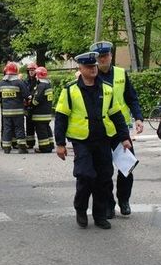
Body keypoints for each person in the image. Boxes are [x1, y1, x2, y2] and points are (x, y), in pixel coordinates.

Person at [55, 52, 131, 230]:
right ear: (80, 69)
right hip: (81, 141)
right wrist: (60, 144)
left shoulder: (107, 89)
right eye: (89, 67)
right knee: (85, 175)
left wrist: (124, 137)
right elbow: (61, 117)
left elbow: (116, 115)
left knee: (104, 178)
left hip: (103, 139)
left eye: (94, 66)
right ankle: (80, 209)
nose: (93, 69)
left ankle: (99, 215)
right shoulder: (70, 90)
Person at [89, 41, 142, 218]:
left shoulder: (120, 73)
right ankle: (108, 204)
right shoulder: (91, 76)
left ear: (111, 56)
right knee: (104, 171)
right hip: (101, 131)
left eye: (106, 55)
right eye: (100, 57)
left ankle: (124, 200)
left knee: (127, 167)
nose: (103, 59)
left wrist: (139, 118)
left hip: (120, 130)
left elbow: (131, 98)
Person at [0, 62, 30, 154]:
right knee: (19, 129)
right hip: (18, 111)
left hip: (6, 112)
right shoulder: (19, 83)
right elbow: (26, 95)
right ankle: (22, 148)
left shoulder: (1, 83)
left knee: (7, 129)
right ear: (16, 71)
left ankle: (6, 148)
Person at [31, 66, 54, 153]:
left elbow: (37, 100)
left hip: (40, 114)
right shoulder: (48, 85)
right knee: (47, 129)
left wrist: (31, 103)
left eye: (36, 75)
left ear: (38, 75)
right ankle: (50, 145)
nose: (35, 77)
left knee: (41, 131)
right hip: (47, 112)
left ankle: (44, 148)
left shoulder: (41, 86)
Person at [24, 62, 38, 149]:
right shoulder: (26, 81)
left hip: (36, 106)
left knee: (39, 126)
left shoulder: (38, 81)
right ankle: (30, 143)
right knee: (29, 125)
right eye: (29, 70)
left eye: (33, 70)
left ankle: (43, 143)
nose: (31, 72)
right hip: (28, 106)